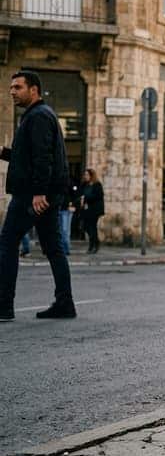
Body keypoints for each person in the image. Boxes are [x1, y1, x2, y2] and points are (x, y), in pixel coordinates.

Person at [0, 71, 76, 321]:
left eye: (17, 87)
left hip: (31, 195)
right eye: (11, 88)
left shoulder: (39, 116)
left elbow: (43, 158)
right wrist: (3, 152)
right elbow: (29, 159)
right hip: (42, 194)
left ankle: (4, 305)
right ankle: (65, 303)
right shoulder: (37, 116)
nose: (12, 92)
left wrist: (38, 192)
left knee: (7, 243)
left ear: (33, 90)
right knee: (54, 248)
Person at [80, 168, 104, 254]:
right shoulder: (85, 185)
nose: (85, 176)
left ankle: (92, 246)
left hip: (94, 210)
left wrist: (85, 198)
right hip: (86, 209)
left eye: (87, 175)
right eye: (85, 175)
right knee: (86, 227)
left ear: (91, 176)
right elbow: (81, 194)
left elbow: (98, 196)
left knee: (92, 227)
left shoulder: (97, 185)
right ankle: (95, 243)